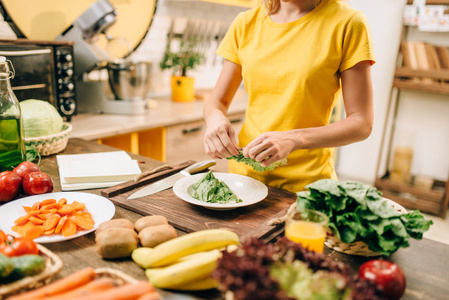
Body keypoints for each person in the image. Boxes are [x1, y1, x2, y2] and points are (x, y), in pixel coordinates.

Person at [203, 0, 375, 193]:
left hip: (306, 186)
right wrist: (215, 119)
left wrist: (294, 139)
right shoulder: (246, 23)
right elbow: (216, 103)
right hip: (245, 180)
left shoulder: (348, 22)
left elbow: (361, 123)